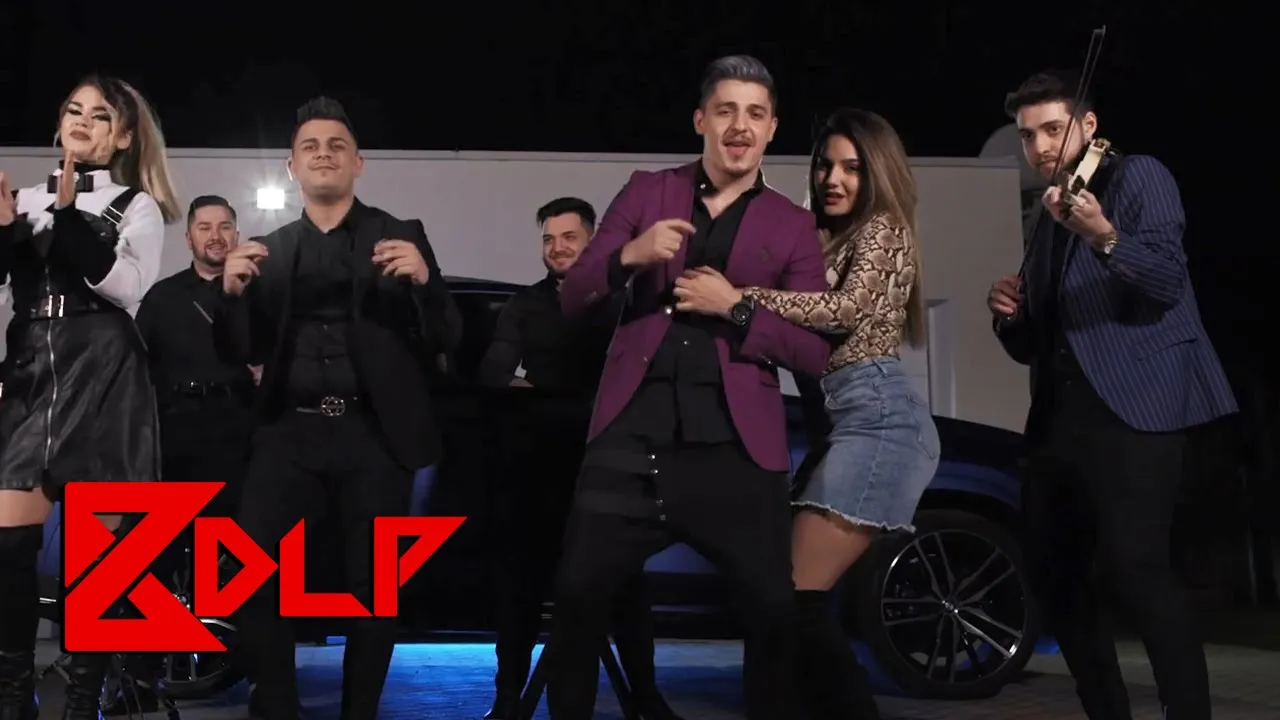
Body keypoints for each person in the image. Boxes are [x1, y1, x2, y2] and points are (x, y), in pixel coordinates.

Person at [545, 55, 832, 720]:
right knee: (578, 601)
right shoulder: (648, 192)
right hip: (629, 441)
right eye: (726, 111)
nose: (740, 127)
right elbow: (575, 295)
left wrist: (737, 308)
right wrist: (629, 256)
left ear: (772, 128)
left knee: (772, 611)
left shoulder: (791, 225)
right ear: (701, 119)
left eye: (755, 114)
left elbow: (814, 352)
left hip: (735, 452)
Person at [988, 69, 1236, 720]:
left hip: (1135, 409)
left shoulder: (1136, 177)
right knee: (1055, 579)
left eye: (1053, 129)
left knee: (1138, 571)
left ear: (1089, 126)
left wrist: (1103, 234)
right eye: (1027, 135)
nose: (1040, 145)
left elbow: (1166, 279)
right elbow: (1036, 342)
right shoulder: (1049, 214)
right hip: (1058, 421)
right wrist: (1010, 315)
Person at [677, 107, 939, 718]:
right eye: (824, 165)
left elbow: (843, 311)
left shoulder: (883, 227)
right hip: (840, 421)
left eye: (852, 167)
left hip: (877, 419)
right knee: (786, 604)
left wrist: (737, 299)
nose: (833, 179)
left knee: (795, 601)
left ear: (878, 172)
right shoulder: (822, 238)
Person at [212, 97, 461, 720]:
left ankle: (360, 713)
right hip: (286, 434)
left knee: (374, 588)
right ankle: (278, 704)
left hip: (372, 436)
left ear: (359, 163)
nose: (323, 154)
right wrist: (232, 295)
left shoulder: (400, 235)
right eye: (309, 147)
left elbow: (448, 338)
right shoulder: (268, 249)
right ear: (292, 167)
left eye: (336, 146)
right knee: (248, 572)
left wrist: (426, 285)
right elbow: (237, 351)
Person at [0, 75, 180, 720]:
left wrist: (72, 216)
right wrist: (5, 229)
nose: (82, 120)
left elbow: (126, 289)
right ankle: (14, 699)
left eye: (100, 115)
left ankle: (83, 704)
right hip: (31, 372)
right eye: (74, 109)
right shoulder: (22, 199)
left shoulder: (136, 205)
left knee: (96, 563)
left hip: (104, 373)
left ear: (124, 136)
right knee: (8, 549)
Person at [477, 198, 679, 720]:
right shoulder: (525, 304)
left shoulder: (625, 302)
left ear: (593, 242)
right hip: (539, 473)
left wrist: (551, 393)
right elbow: (494, 372)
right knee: (520, 590)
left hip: (611, 471)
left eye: (569, 238)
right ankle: (507, 701)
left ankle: (647, 698)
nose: (557, 248)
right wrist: (551, 397)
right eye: (548, 239)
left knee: (627, 589)